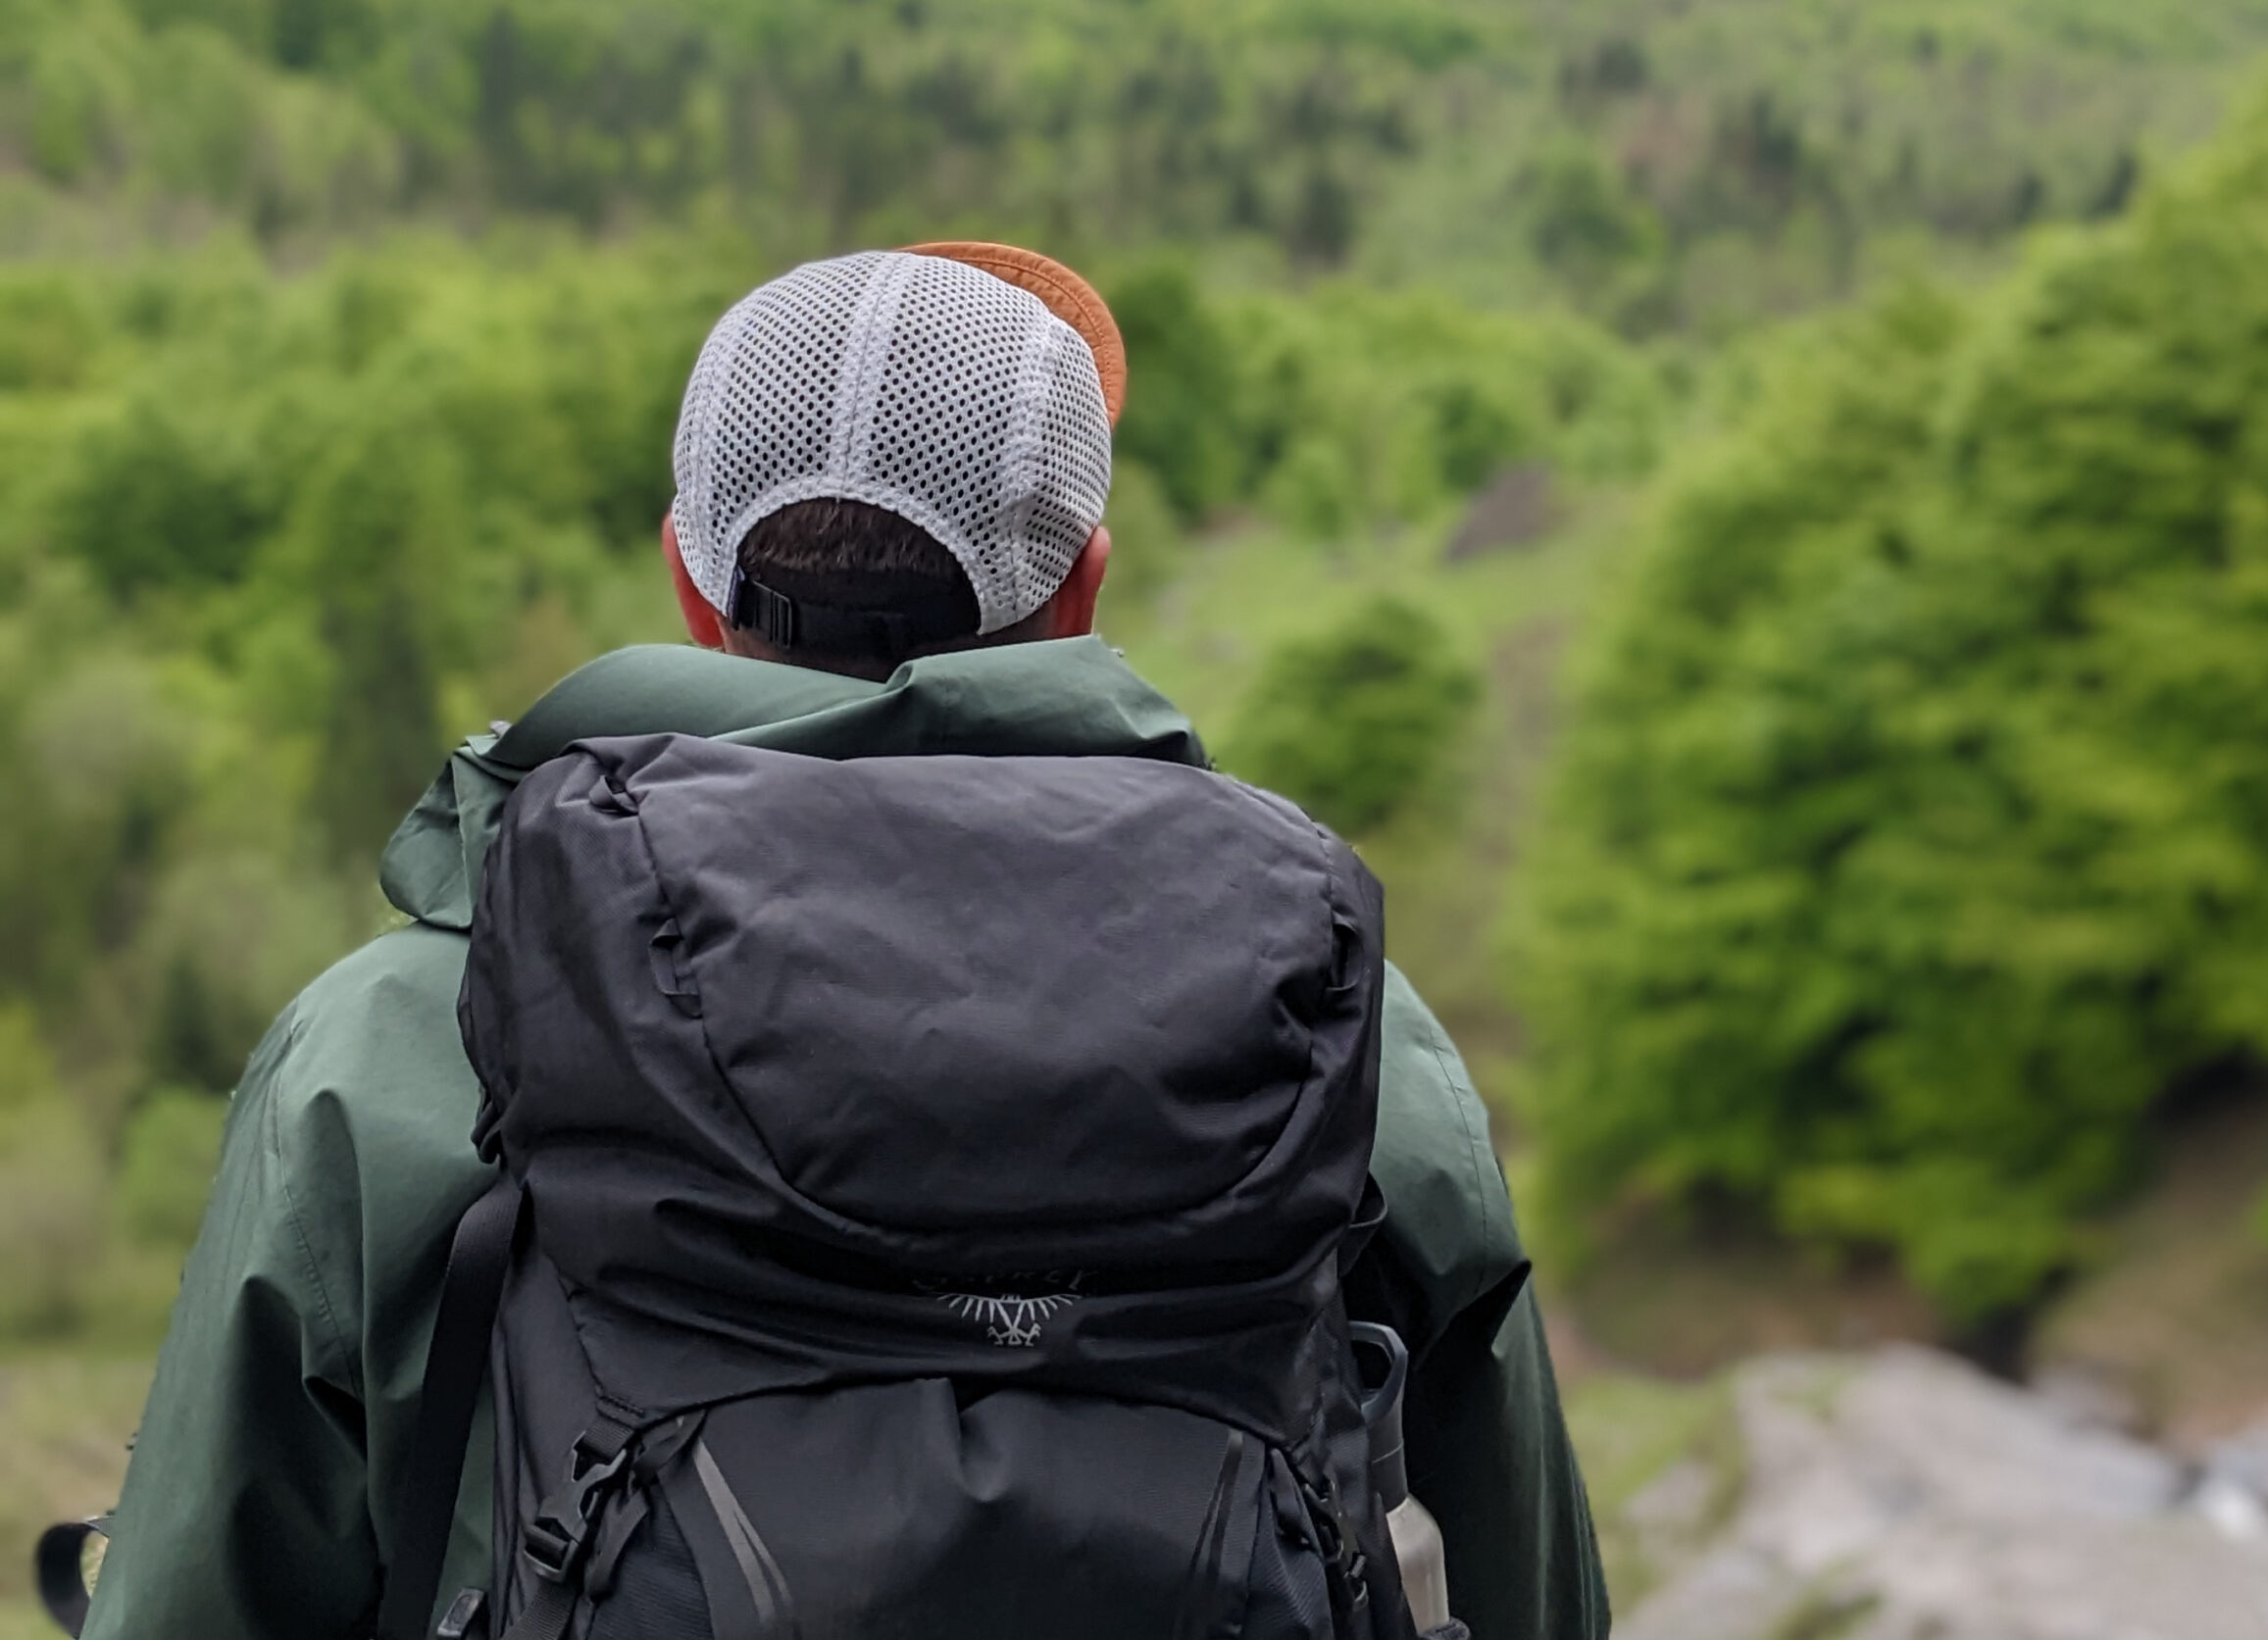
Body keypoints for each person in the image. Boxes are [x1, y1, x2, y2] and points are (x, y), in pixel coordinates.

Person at [76, 243, 1608, 1640]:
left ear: (690, 578)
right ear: (1084, 583)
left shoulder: (403, 1043)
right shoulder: (1339, 1028)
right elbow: (1533, 1600)